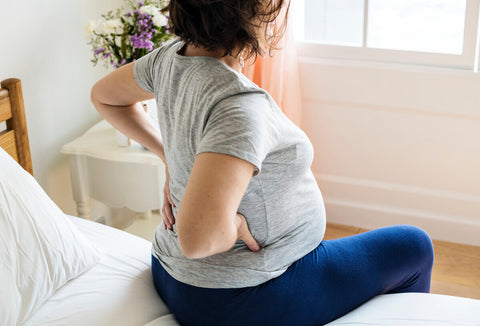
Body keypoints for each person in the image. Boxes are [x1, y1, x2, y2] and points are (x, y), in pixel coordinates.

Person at [90, 1, 434, 325]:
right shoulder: (238, 107)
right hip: (239, 296)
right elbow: (197, 239)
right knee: (413, 245)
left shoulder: (169, 58)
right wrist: (235, 226)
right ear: (251, 12)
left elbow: (104, 97)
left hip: (172, 272)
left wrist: (168, 155)